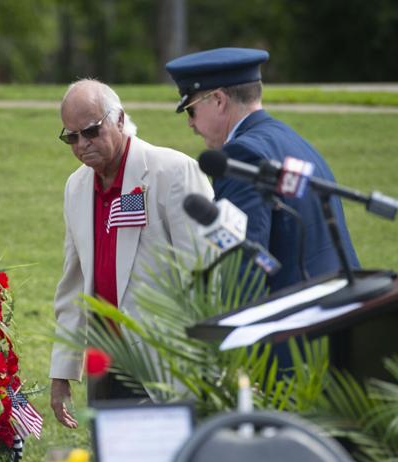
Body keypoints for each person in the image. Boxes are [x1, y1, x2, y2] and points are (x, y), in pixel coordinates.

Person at [49, 79, 214, 428]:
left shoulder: (174, 171)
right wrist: (62, 370)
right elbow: (74, 283)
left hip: (167, 364)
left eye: (91, 131)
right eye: (71, 137)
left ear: (119, 119)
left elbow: (206, 275)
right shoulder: (76, 187)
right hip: (106, 364)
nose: (82, 144)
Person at [165, 47, 359, 293]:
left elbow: (244, 265)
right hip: (339, 298)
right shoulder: (291, 140)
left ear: (218, 100)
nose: (190, 123)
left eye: (191, 110)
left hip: (298, 315)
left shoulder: (241, 155)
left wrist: (235, 327)